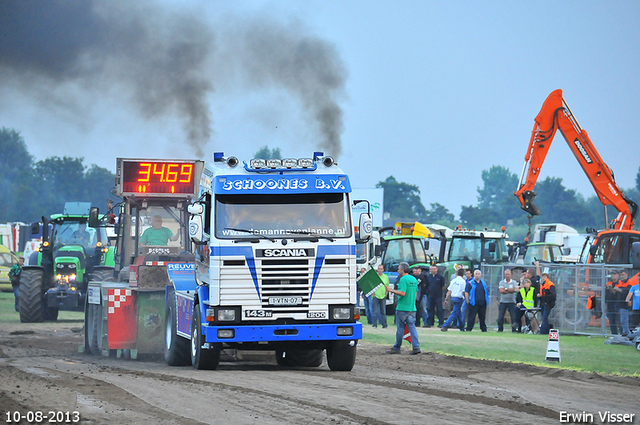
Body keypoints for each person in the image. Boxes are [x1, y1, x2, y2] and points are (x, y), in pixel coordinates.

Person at [386, 262, 420, 355]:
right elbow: (416, 294)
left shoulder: (403, 279)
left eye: (399, 269)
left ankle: (397, 347)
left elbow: (402, 293)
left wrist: (391, 290)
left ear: (402, 270)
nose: (398, 271)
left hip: (402, 307)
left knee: (400, 328)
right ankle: (416, 346)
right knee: (412, 327)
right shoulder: (414, 279)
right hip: (412, 307)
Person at [441, 267, 466, 331]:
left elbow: (449, 291)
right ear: (463, 274)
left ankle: (461, 327)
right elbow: (463, 291)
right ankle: (445, 325)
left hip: (453, 298)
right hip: (459, 298)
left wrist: (446, 299)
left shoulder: (453, 280)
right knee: (454, 312)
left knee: (458, 313)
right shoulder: (463, 281)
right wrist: (466, 297)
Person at [605, 271, 621, 335]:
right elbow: (605, 294)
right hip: (610, 304)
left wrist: (613, 290)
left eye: (615, 274)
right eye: (612, 274)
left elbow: (619, 294)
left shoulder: (620, 283)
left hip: (618, 304)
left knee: (619, 320)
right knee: (612, 321)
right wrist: (605, 304)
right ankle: (614, 334)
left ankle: (622, 334)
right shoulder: (608, 283)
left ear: (618, 275)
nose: (613, 276)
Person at [617, 270, 632, 335]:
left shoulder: (629, 283)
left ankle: (627, 333)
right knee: (621, 321)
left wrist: (619, 290)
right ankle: (623, 333)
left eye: (623, 275)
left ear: (627, 275)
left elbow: (627, 292)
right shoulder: (620, 283)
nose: (621, 276)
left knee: (624, 320)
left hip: (625, 305)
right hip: (619, 305)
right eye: (621, 275)